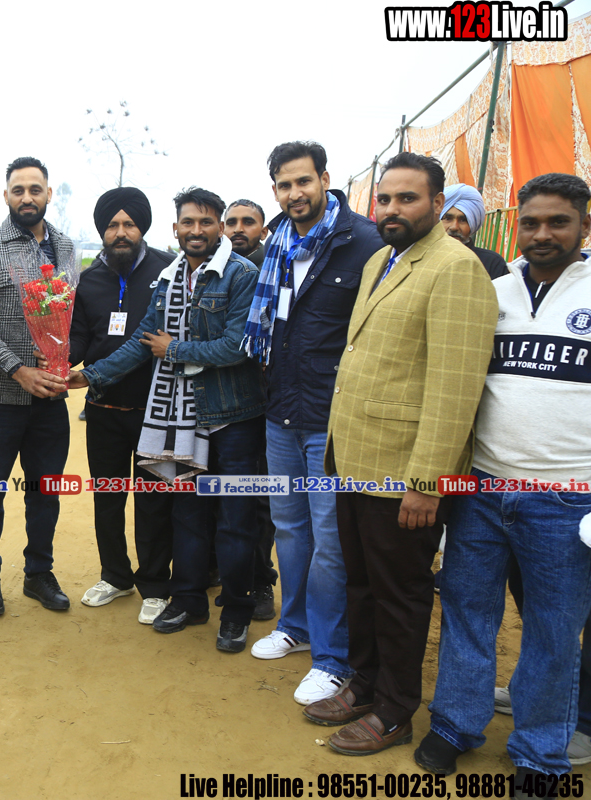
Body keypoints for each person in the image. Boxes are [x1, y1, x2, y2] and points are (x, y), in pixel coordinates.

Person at [305, 152, 497, 756]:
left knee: (399, 593)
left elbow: (454, 389)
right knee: (361, 584)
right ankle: (364, 683)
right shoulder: (380, 261)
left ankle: (394, 710)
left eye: (407, 199)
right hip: (353, 459)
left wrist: (427, 482)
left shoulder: (455, 268)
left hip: (404, 474)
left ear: (438, 204)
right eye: (384, 199)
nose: (391, 209)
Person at [414, 173, 591, 781]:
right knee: (467, 612)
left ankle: (539, 755)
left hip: (567, 501)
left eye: (558, 222)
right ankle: (455, 725)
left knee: (552, 632)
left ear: (584, 225)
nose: (542, 234)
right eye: (531, 222)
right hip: (482, 490)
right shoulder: (494, 292)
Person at [69, 186, 264, 653]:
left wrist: (174, 349)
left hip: (233, 417)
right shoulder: (170, 278)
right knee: (187, 514)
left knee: (235, 520)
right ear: (176, 228)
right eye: (188, 222)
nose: (197, 230)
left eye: (206, 222)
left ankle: (236, 613)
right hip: (185, 415)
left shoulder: (242, 274)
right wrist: (90, 376)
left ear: (219, 227)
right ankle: (189, 600)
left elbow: (238, 346)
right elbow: (142, 342)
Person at [241, 141, 383, 705]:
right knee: (290, 529)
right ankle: (295, 627)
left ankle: (332, 656)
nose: (295, 193)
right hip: (281, 413)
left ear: (325, 179)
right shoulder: (277, 244)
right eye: (284, 185)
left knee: (330, 541)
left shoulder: (364, 243)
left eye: (304, 181)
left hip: (331, 417)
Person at [0, 156, 74, 616]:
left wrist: (63, 361)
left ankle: (39, 573)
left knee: (46, 491)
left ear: (49, 194)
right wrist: (17, 369)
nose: (27, 197)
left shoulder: (66, 248)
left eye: (35, 189)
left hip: (51, 397)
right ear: (6, 195)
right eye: (18, 190)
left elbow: (70, 315)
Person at [69, 187, 175, 624]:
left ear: (142, 227)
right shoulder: (89, 279)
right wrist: (55, 353)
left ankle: (155, 584)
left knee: (154, 501)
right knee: (108, 498)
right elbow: (79, 337)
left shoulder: (168, 269)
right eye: (112, 225)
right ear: (102, 231)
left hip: (155, 410)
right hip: (104, 410)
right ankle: (115, 575)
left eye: (129, 224)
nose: (121, 232)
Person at [223, 197, 277, 619]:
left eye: (248, 222)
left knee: (259, 497)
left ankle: (260, 580)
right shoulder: (216, 270)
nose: (238, 228)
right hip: (224, 399)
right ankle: (225, 571)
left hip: (265, 400)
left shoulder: (273, 269)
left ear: (263, 229)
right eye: (232, 222)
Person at [440, 184, 509, 279]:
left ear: (473, 223)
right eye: (448, 219)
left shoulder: (492, 263)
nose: (454, 227)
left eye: (463, 220)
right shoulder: (425, 256)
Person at [224, 199, 268, 265]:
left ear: (263, 233)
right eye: (231, 223)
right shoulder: (212, 265)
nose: (238, 230)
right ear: (221, 231)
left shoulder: (276, 266)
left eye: (248, 222)